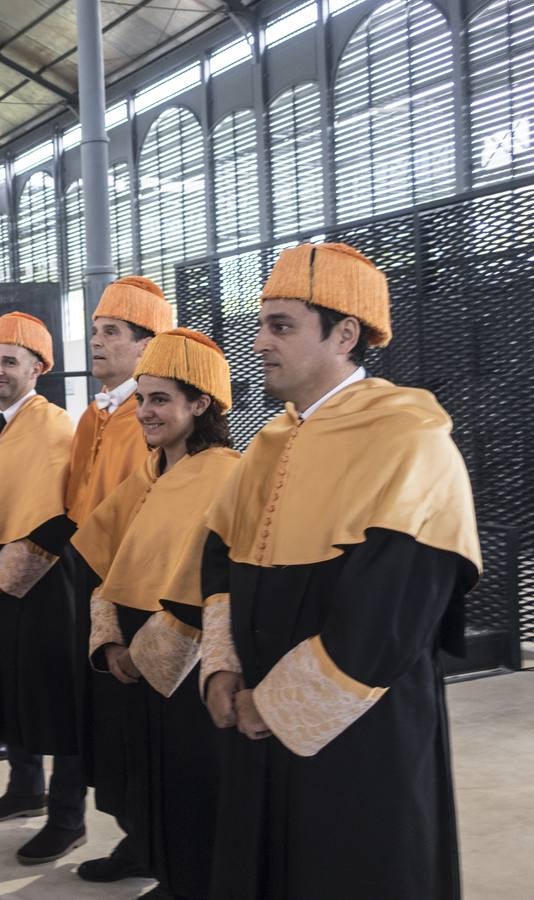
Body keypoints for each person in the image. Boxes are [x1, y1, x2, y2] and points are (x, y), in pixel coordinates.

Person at [200, 242, 481, 899]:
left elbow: (389, 615)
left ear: (345, 333)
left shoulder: (409, 440)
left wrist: (269, 706)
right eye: (262, 324)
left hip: (360, 734)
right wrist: (221, 667)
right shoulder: (267, 444)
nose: (260, 342)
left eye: (282, 326)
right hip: (253, 717)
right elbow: (218, 551)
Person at [78, 328, 240, 900]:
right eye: (142, 399)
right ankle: (164, 870)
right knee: (150, 781)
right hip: (134, 664)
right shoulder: (149, 473)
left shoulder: (223, 473)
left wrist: (140, 657)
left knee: (192, 784)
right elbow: (107, 559)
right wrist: (109, 640)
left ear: (201, 404)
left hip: (181, 669)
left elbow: (207, 585)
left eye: (161, 399)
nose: (145, 412)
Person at [0, 312, 84, 865]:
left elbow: (60, 514)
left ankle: (67, 817)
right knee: (8, 688)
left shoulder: (56, 425)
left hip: (40, 583)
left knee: (53, 697)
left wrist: (3, 579)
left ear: (39, 368)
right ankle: (24, 788)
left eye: (11, 361)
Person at [68, 275, 174, 884]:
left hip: (142, 590)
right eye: (96, 331)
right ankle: (138, 838)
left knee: (148, 730)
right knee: (115, 732)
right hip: (96, 584)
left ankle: (160, 848)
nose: (98, 342)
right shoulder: (96, 416)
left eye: (112, 332)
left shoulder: (154, 416)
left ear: (147, 345)